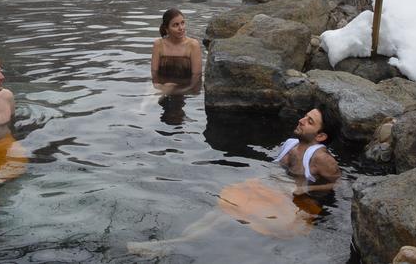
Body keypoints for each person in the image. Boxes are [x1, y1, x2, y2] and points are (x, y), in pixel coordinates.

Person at [127, 107, 340, 255]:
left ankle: (172, 245)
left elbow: (339, 184)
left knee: (223, 218)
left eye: (309, 121)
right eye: (305, 116)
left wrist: (305, 188)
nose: (301, 120)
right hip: (267, 189)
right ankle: (172, 243)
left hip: (288, 202)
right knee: (217, 211)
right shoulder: (292, 143)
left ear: (321, 136)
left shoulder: (321, 158)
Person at [151, 8, 202, 93]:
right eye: (175, 25)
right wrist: (158, 86)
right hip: (163, 87)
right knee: (145, 103)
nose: (181, 28)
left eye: (182, 23)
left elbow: (196, 76)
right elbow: (154, 73)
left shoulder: (193, 45)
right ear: (167, 29)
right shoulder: (158, 44)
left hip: (185, 87)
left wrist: (179, 90)